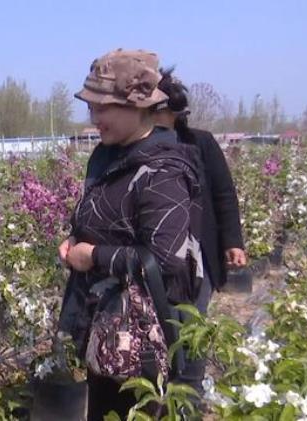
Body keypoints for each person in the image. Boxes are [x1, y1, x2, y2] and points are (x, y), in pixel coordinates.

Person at [57, 49, 204, 419]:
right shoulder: (106, 156)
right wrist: (74, 241)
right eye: (91, 107)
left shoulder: (164, 170)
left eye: (102, 108)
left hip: (140, 337)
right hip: (100, 323)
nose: (94, 117)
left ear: (137, 105)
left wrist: (92, 256)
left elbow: (164, 258)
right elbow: (96, 219)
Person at [154, 68, 247, 396]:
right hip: (156, 259)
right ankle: (161, 397)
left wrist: (232, 241)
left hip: (197, 255)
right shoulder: (138, 147)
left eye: (165, 111)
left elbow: (223, 193)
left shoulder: (200, 142)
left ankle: (189, 398)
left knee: (192, 325)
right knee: (160, 331)